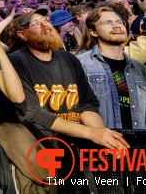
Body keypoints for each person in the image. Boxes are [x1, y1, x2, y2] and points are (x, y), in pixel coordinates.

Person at [8, 8, 130, 148]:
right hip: (39, 149)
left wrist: (103, 136)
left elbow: (87, 104)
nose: (44, 25)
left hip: (75, 146)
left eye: (45, 20)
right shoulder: (16, 61)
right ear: (22, 35)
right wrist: (90, 133)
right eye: (35, 23)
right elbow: (32, 113)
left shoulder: (68, 59)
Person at [76, 7, 146, 129]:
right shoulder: (80, 64)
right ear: (93, 32)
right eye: (108, 23)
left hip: (137, 143)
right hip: (98, 144)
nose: (116, 26)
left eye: (119, 22)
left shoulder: (142, 71)